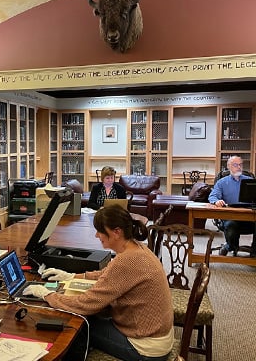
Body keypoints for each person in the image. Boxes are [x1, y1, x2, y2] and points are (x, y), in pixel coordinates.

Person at [23, 204, 174, 361]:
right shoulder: (136, 248)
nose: (96, 235)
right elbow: (107, 275)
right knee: (91, 319)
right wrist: (72, 276)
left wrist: (47, 295)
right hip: (154, 335)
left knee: (77, 325)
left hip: (145, 349)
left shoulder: (126, 261)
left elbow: (86, 304)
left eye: (100, 231)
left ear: (116, 232)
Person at [208, 155, 256, 257]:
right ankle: (229, 246)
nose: (239, 167)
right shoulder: (222, 182)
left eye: (240, 165)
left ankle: (254, 252)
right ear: (229, 166)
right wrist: (217, 201)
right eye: (235, 165)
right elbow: (212, 196)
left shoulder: (250, 181)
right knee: (231, 226)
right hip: (231, 217)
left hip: (250, 217)